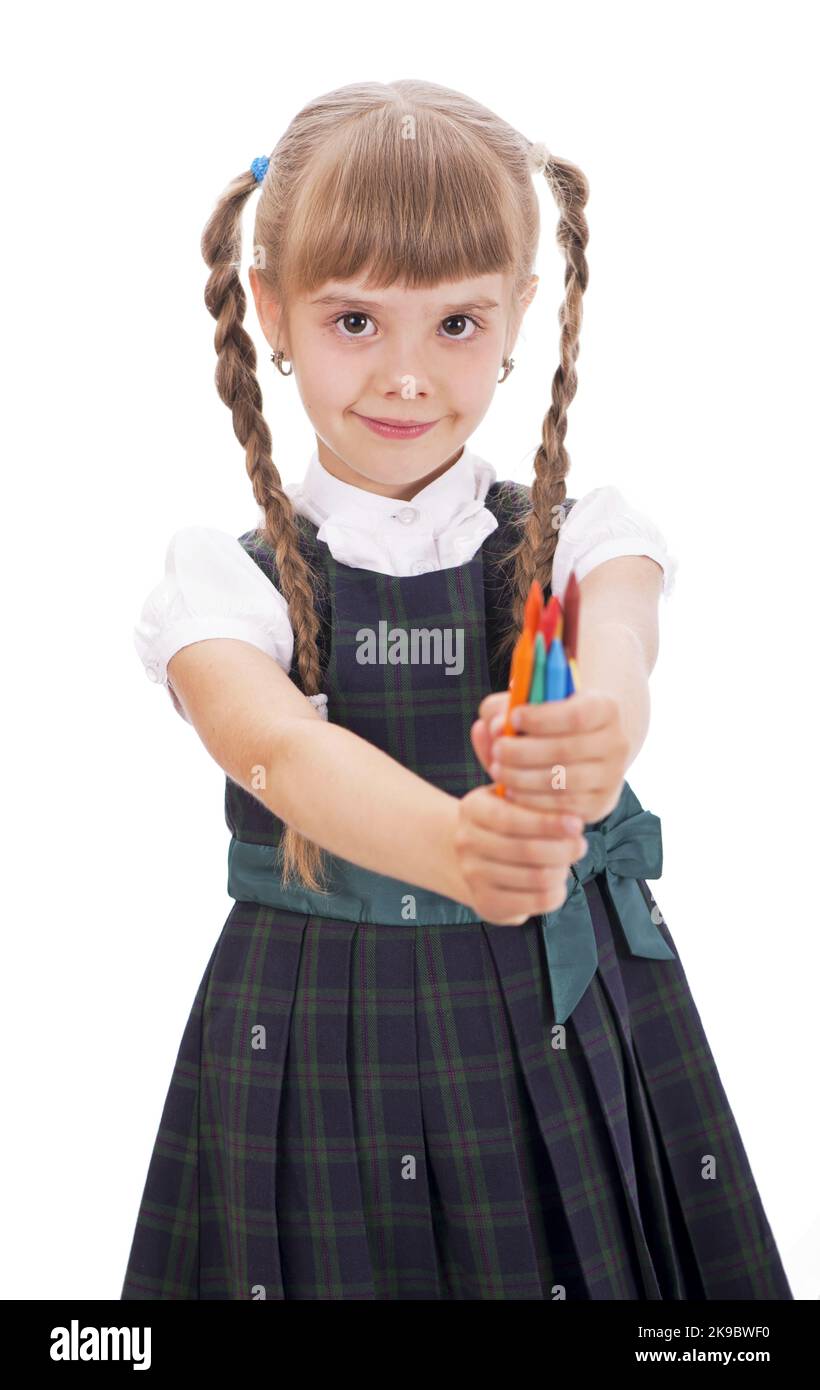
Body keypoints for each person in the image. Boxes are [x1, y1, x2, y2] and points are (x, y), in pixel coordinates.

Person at [121, 79, 792, 1301]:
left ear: (521, 310)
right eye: (356, 321)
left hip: (553, 1008)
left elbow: (618, 650)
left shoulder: (583, 537)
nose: (409, 377)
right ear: (269, 309)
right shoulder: (226, 583)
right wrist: (454, 846)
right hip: (315, 1026)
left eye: (458, 324)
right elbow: (268, 742)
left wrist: (592, 738)